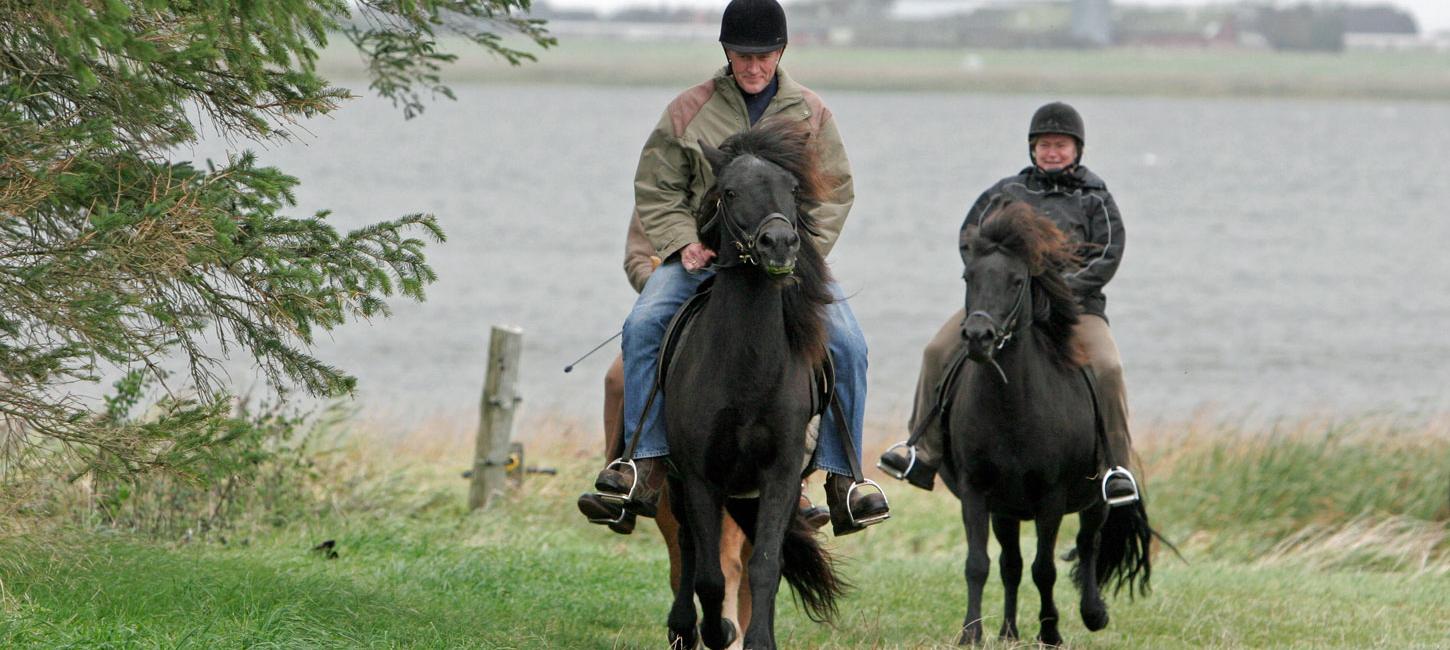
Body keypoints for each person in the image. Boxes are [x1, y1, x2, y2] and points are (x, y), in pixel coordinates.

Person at [576, 0, 888, 536]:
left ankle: (844, 477)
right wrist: (682, 243)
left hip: (786, 262)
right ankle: (641, 464)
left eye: (764, 55)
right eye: (743, 55)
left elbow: (835, 193)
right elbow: (658, 187)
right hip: (707, 261)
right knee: (643, 324)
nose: (753, 66)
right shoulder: (688, 109)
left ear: (781, 52)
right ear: (726, 52)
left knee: (851, 346)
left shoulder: (810, 112)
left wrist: (800, 250)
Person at [878, 101, 1141, 505]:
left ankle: (1115, 467)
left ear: (1077, 150)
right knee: (935, 351)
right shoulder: (1006, 193)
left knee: (1109, 368)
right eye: (1044, 145)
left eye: (1061, 145)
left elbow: (1108, 255)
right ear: (1032, 149)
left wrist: (1054, 294)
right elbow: (970, 237)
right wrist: (992, 285)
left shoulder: (1096, 199)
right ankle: (922, 450)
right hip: (999, 305)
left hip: (1075, 311)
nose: (1052, 152)